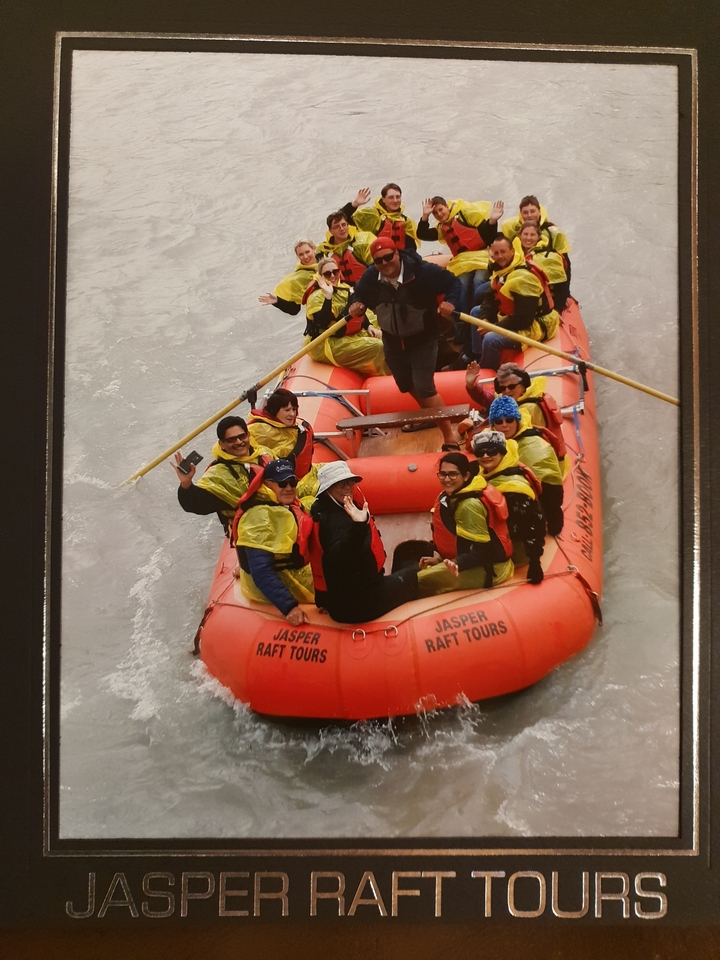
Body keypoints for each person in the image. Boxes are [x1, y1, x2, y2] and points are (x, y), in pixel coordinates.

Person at [347, 236, 464, 450]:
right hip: (392, 339)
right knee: (403, 383)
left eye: (388, 257)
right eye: (379, 260)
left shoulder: (423, 272)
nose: (384, 263)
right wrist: (355, 304)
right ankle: (429, 414)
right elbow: (357, 295)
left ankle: (449, 435)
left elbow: (454, 283)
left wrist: (451, 302)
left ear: (397, 254)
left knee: (425, 387)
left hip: (423, 336)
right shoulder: (371, 277)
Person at [307, 461, 418, 623]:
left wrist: (324, 601)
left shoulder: (322, 510)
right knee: (416, 575)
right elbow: (340, 555)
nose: (347, 488)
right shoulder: (335, 521)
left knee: (405, 554)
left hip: (344, 599)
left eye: (349, 482)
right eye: (340, 484)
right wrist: (359, 526)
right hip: (360, 606)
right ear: (327, 489)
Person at [416, 452, 514, 597]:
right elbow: (462, 541)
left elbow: (484, 551)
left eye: (453, 474)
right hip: (464, 561)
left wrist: (457, 562)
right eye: (443, 474)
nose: (447, 479)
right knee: (415, 574)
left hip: (490, 569)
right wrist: (440, 558)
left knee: (417, 581)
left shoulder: (468, 505)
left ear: (466, 476)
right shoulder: (450, 496)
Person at [416, 196, 504, 354]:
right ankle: (463, 325)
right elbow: (422, 234)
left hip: (481, 255)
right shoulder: (442, 227)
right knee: (461, 284)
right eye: (436, 213)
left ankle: (482, 318)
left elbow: (487, 233)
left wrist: (493, 220)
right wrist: (425, 216)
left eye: (441, 210)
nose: (439, 214)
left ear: (447, 207)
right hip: (463, 261)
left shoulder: (465, 214)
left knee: (479, 280)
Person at [233, 458, 314, 626]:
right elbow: (261, 571)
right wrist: (289, 607)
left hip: (295, 570)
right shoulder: (258, 516)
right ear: (267, 484)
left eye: (292, 482)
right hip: (286, 579)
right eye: (282, 483)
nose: (289, 488)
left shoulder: (286, 505)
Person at [470, 235, 560, 371]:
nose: (500, 256)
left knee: (490, 339)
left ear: (512, 251)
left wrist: (493, 327)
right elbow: (489, 298)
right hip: (513, 317)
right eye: (496, 253)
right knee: (475, 312)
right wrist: (485, 320)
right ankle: (478, 355)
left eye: (503, 252)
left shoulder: (524, 278)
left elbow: (524, 320)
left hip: (536, 325)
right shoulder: (501, 270)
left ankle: (487, 371)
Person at [172, 416, 272, 533]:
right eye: (231, 439)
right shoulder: (219, 473)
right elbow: (196, 504)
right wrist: (186, 482)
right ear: (222, 444)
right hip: (253, 532)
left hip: (280, 518)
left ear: (248, 436)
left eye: (242, 436)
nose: (239, 442)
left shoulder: (264, 453)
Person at [472, 430, 546, 584]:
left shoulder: (514, 489)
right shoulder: (483, 473)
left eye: (491, 451)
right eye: (480, 452)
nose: (485, 456)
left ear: (502, 452)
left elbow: (532, 524)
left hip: (513, 546)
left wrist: (535, 561)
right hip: (492, 536)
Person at [487, 395, 566, 536]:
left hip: (531, 500)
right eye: (499, 421)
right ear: (493, 425)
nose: (504, 425)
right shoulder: (486, 444)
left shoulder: (534, 446)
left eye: (509, 420)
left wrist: (554, 519)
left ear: (517, 421)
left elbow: (551, 486)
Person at [303, 256, 389, 377]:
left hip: (347, 335)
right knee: (377, 346)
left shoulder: (346, 289)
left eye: (335, 271)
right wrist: (328, 297)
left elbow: (358, 311)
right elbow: (322, 322)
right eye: (327, 274)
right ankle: (389, 379)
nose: (332, 276)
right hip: (327, 342)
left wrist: (368, 326)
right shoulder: (316, 297)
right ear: (321, 276)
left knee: (387, 337)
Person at [464, 361, 567, 459]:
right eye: (503, 388)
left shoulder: (530, 408)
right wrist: (471, 386)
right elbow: (488, 399)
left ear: (523, 386)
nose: (507, 391)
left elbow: (518, 440)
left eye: (511, 387)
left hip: (535, 453)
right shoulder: (513, 399)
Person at [248, 388, 315, 479]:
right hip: (281, 482)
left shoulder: (294, 428)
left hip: (304, 476)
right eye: (287, 410)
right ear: (275, 411)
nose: (292, 414)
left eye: (294, 409)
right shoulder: (259, 430)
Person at [340, 183, 420, 252]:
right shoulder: (372, 214)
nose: (395, 200)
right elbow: (340, 218)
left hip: (400, 261)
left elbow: (411, 248)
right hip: (377, 261)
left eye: (398, 197)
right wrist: (354, 205)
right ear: (383, 199)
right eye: (391, 197)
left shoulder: (406, 221)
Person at [518, 221, 570, 313]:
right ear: (519, 236)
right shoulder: (513, 254)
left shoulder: (549, 256)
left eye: (532, 235)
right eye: (525, 234)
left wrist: (557, 311)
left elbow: (561, 287)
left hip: (540, 303)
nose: (528, 238)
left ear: (538, 237)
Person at [257, 239, 318, 316]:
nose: (305, 257)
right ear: (298, 256)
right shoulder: (298, 278)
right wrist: (277, 301)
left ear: (314, 249)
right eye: (301, 254)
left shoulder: (325, 257)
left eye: (307, 252)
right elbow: (294, 309)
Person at [315, 211, 376, 285]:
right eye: (337, 227)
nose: (342, 228)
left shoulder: (362, 243)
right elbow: (319, 275)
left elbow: (376, 267)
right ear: (330, 231)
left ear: (348, 225)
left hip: (365, 286)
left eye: (343, 225)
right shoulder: (324, 250)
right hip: (341, 291)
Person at [501, 194, 571, 257]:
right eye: (525, 212)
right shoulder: (514, 230)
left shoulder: (554, 233)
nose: (529, 215)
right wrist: (493, 221)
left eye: (533, 211)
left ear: (539, 211)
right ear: (521, 214)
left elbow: (564, 260)